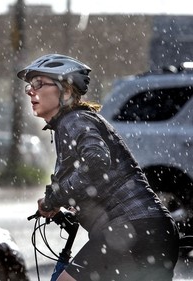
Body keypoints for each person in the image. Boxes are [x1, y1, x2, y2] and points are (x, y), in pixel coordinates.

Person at [17, 54, 180, 281]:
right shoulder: (78, 121)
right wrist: (64, 202)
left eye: (39, 84)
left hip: (131, 230)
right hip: (152, 230)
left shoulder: (73, 120)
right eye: (29, 86)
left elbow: (95, 162)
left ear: (65, 91)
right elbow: (94, 177)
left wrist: (54, 197)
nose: (30, 91)